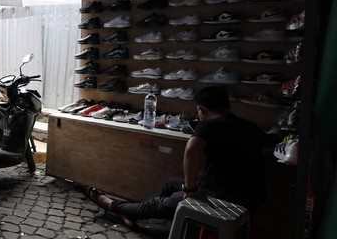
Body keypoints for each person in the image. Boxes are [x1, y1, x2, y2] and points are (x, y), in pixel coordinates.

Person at [86, 85, 267, 227]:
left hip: (221, 201)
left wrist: (190, 190)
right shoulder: (250, 126)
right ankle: (131, 213)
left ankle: (112, 205)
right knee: (172, 183)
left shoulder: (209, 125)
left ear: (201, 109)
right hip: (251, 200)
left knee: (161, 203)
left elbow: (192, 150)